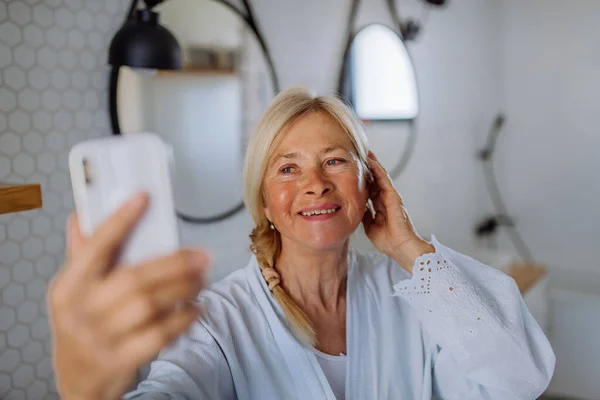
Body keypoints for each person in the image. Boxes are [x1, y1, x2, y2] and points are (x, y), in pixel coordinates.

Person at [49, 87, 555, 400]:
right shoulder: (219, 321)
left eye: (335, 160)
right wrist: (85, 390)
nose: (315, 182)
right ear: (265, 201)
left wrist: (407, 244)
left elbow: (521, 377)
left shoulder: (415, 294)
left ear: (369, 181)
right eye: (288, 168)